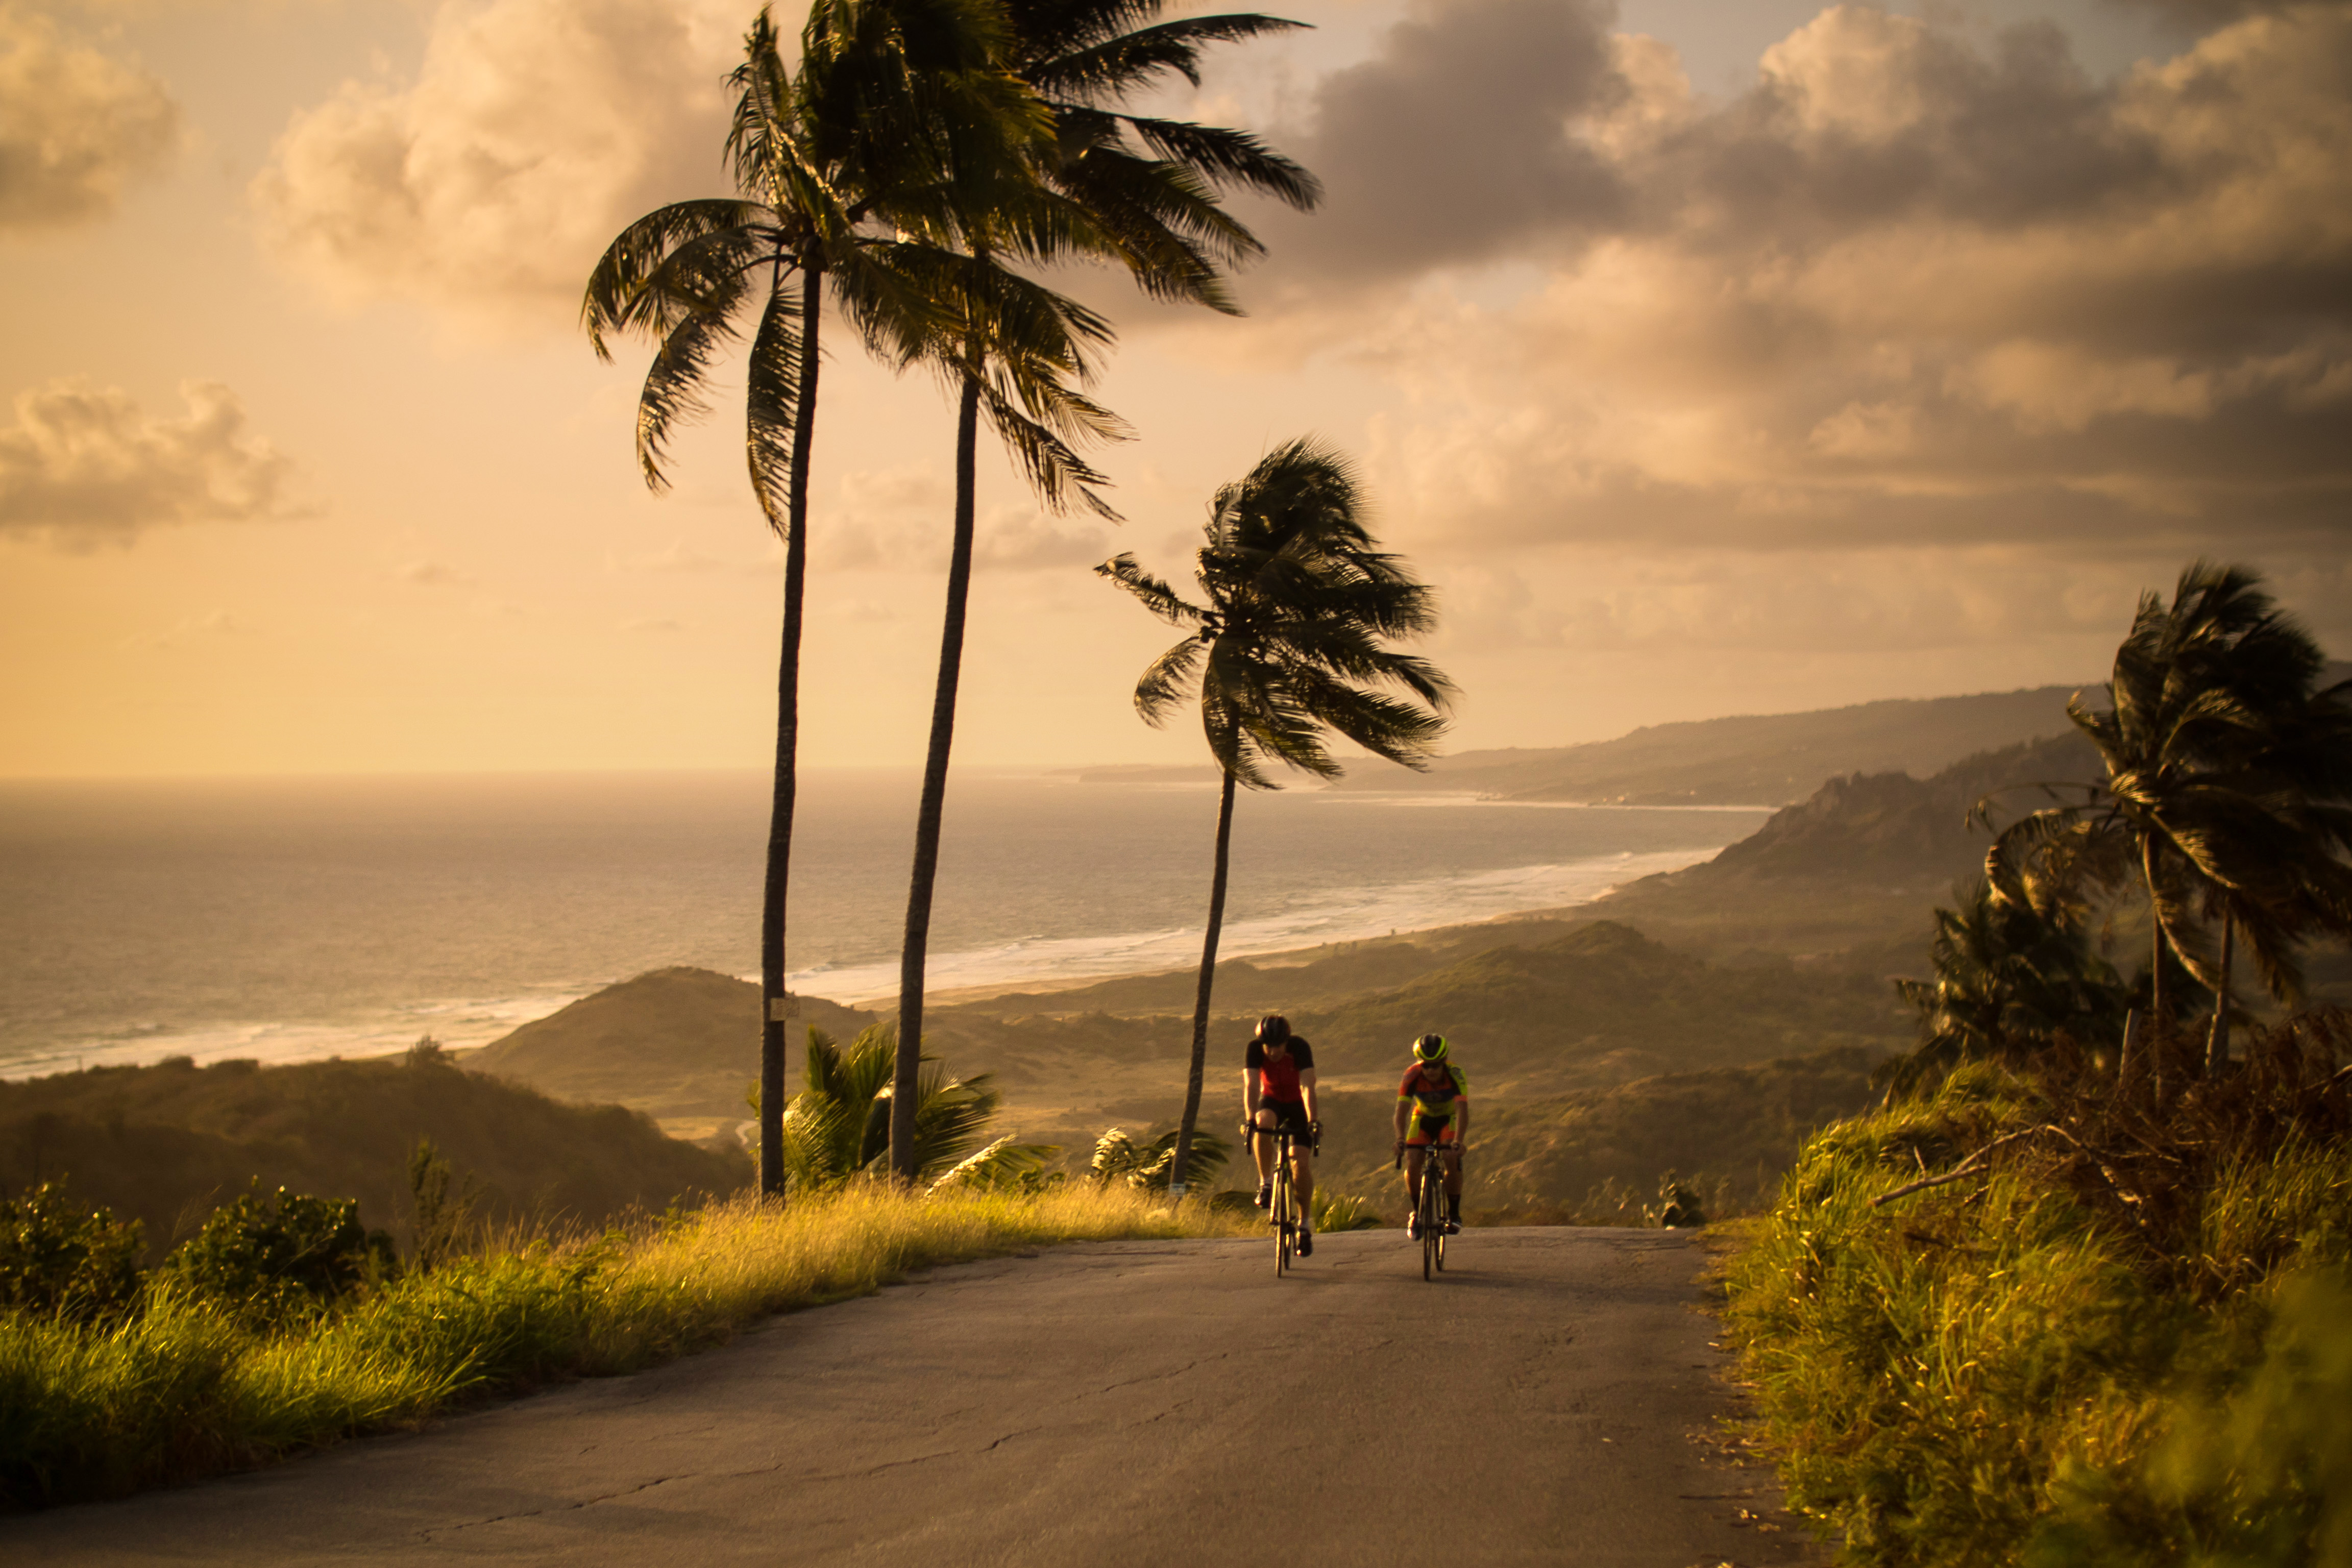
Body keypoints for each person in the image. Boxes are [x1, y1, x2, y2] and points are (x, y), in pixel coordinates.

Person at [1242, 1013, 1320, 1257]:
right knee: (1262, 1122)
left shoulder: (1300, 1047)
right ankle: (1266, 1183)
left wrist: (1313, 1121)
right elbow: (1252, 1085)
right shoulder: (1254, 1049)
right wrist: (1250, 1119)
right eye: (1269, 1046)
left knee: (1300, 1161)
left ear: (1287, 1042)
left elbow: (1308, 1086)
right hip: (1273, 1099)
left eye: (1278, 1046)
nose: (1273, 1051)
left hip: (1298, 1105)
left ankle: (1304, 1225)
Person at [1394, 1032, 1468, 1238]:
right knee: (1414, 1159)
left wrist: (1458, 1142)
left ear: (1444, 1062)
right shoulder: (1411, 1075)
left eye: (1436, 1065)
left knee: (1450, 1157)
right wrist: (1400, 1139)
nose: (1431, 1070)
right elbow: (1401, 1112)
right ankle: (1417, 1212)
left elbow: (1462, 1110)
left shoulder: (1455, 1074)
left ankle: (1453, 1212)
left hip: (1448, 1118)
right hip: (1423, 1118)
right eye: (1426, 1065)